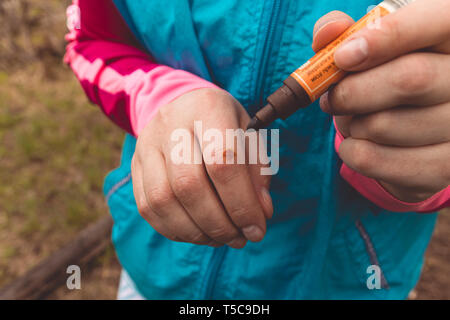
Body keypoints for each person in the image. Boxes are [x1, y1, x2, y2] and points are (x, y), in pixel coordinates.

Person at [65, 0, 450, 299]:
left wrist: (418, 159)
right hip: (157, 270)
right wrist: (158, 98)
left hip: (342, 283)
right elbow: (90, 39)